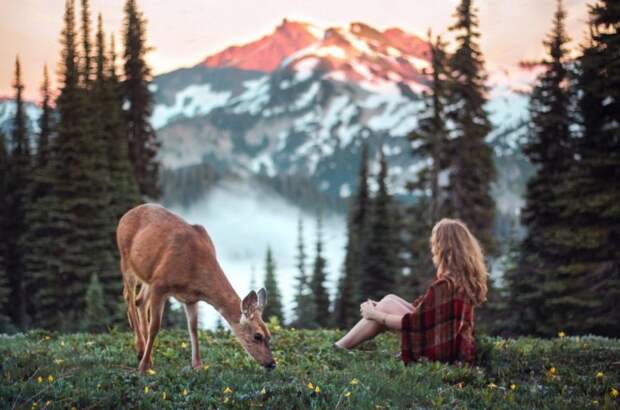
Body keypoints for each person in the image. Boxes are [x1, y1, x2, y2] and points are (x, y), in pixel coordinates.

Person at [334, 218, 488, 365]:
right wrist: (381, 307)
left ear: (444, 246)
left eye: (435, 242)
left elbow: (414, 324)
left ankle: (338, 348)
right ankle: (340, 346)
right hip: (450, 345)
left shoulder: (445, 285)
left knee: (385, 306)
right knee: (389, 300)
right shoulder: (462, 280)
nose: (433, 247)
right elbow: (426, 314)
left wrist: (375, 315)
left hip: (439, 351)